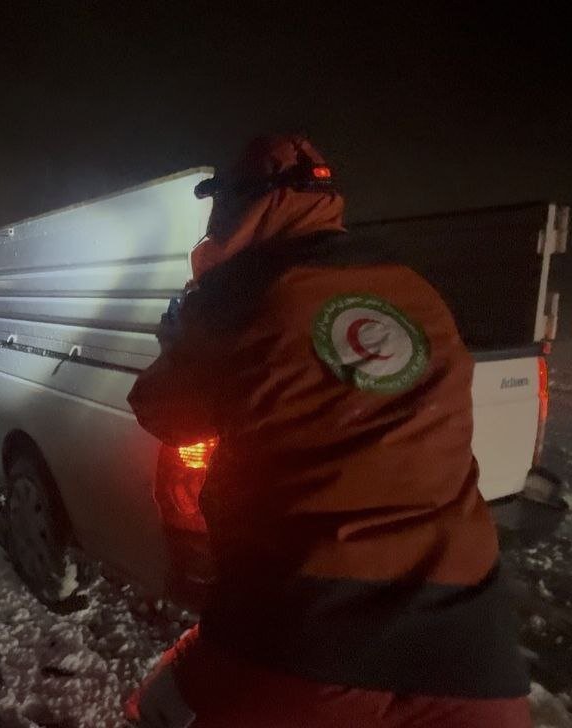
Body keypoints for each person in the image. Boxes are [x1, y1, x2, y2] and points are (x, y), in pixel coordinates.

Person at [124, 135, 531, 727]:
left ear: (243, 206)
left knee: (158, 711)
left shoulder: (238, 295)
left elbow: (163, 411)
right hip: (470, 644)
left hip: (301, 629)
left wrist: (179, 337)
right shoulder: (413, 286)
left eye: (223, 203)